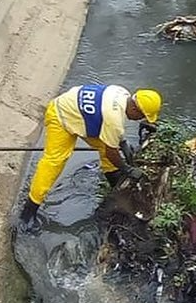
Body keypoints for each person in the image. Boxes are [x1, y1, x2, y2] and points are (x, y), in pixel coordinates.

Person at [19, 85, 162, 225]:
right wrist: (128, 170)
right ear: (134, 108)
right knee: (54, 161)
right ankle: (30, 209)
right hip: (61, 115)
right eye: (141, 116)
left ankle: (115, 184)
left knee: (106, 145)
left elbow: (110, 128)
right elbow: (111, 150)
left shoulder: (122, 93)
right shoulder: (114, 119)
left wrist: (122, 141)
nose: (139, 119)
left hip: (79, 112)